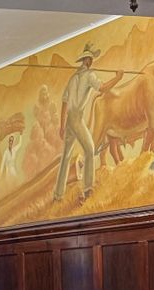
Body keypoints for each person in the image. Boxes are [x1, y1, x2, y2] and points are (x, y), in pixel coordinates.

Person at [54, 43, 122, 202]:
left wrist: (62, 126)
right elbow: (102, 88)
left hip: (70, 119)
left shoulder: (73, 79)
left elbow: (64, 102)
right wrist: (118, 78)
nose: (92, 61)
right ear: (87, 60)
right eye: (91, 58)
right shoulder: (89, 75)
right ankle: (87, 189)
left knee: (66, 156)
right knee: (90, 149)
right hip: (76, 118)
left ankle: (58, 195)